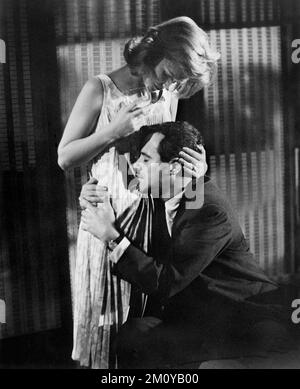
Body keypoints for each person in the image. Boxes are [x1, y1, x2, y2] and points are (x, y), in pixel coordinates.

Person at [57, 17, 219, 368]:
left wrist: (195, 169)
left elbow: (163, 160)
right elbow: (64, 156)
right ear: (150, 54)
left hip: (153, 221)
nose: (171, 84)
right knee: (106, 327)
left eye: (178, 79)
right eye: (168, 74)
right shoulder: (99, 89)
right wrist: (112, 131)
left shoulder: (168, 91)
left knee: (146, 329)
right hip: (107, 219)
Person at [80, 121, 293, 369]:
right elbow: (122, 174)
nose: (136, 167)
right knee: (132, 335)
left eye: (145, 160)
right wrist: (92, 188)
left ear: (174, 168)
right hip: (198, 313)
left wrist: (111, 236)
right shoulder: (168, 189)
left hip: (241, 318)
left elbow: (167, 280)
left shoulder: (208, 211)